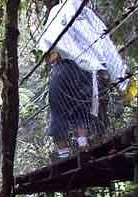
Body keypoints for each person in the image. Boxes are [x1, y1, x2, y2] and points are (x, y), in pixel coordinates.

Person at [38, 0, 128, 158]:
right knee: (81, 112)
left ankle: (64, 156)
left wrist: (62, 51)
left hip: (63, 70)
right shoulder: (88, 15)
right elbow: (105, 45)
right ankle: (83, 148)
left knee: (58, 114)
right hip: (88, 72)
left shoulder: (57, 12)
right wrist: (120, 79)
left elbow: (49, 54)